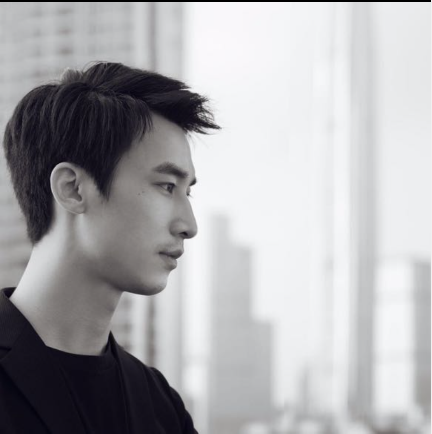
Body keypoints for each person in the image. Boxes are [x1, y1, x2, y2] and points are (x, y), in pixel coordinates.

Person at [0, 61, 220, 434]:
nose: (189, 226)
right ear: (72, 189)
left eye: (188, 192)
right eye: (166, 186)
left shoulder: (160, 404)